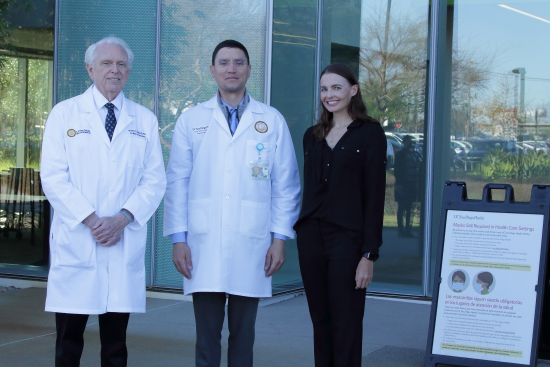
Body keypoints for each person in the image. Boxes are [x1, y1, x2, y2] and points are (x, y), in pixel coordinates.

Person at [163, 39, 300, 367]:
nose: (231, 69)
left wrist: (279, 238)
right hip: (202, 243)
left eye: (239, 62)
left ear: (249, 70)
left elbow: (286, 186)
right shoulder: (192, 119)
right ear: (212, 71)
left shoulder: (271, 120)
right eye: (224, 62)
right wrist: (179, 239)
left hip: (251, 243)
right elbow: (176, 182)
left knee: (244, 336)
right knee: (206, 338)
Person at [40, 37, 166, 367]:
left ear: (128, 71)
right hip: (78, 240)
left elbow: (154, 181)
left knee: (116, 344)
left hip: (120, 240)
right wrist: (93, 220)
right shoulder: (64, 114)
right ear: (90, 69)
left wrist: (122, 218)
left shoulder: (144, 120)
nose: (115, 70)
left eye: (121, 64)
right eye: (107, 63)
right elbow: (53, 177)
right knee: (68, 342)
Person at [293, 63, 387, 367]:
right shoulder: (312, 136)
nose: (329, 94)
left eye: (336, 87)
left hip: (347, 241)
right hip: (311, 238)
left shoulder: (370, 134)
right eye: (324, 89)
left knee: (345, 323)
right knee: (320, 322)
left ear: (353, 90)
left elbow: (375, 196)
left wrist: (368, 254)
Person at [393, 135, 422, 237]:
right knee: (401, 207)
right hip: (403, 184)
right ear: (404, 142)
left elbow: (420, 167)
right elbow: (397, 170)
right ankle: (401, 229)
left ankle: (408, 229)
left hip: (412, 184)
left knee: (410, 208)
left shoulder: (415, 154)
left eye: (411, 141)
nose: (410, 143)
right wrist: (398, 184)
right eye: (408, 141)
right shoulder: (400, 154)